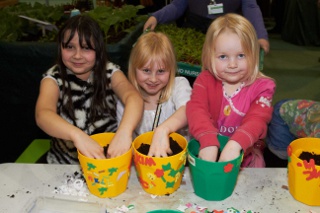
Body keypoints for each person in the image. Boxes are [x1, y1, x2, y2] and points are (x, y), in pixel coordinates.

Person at [35, 15, 143, 164]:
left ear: (98, 49)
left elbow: (133, 97)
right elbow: (43, 114)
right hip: (65, 165)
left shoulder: (110, 72)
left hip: (108, 162)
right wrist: (77, 135)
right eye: (69, 47)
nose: (77, 55)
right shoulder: (53, 79)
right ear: (60, 47)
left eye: (86, 48)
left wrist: (124, 132)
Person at [186, 13, 276, 167]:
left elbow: (257, 118)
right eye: (223, 57)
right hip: (210, 155)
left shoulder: (263, 87)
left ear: (254, 55)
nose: (232, 64)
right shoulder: (205, 81)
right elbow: (196, 109)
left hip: (247, 160)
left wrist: (236, 144)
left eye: (241, 55)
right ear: (209, 56)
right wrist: (208, 140)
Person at [117, 31, 192, 157]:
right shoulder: (125, 102)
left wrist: (163, 130)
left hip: (179, 163)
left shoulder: (178, 86)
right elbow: (125, 141)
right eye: (146, 70)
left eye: (161, 71)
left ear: (171, 69)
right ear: (133, 68)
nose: (153, 79)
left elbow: (189, 110)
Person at [143, 0, 270, 54]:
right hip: (194, 29)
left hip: (228, 31)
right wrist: (156, 17)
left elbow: (250, 7)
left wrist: (260, 35)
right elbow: (177, 6)